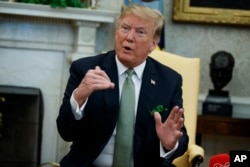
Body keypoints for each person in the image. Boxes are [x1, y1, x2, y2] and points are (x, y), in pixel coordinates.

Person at [56, 4, 188, 167]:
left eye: (140, 32)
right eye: (125, 28)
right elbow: (65, 132)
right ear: (116, 32)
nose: (129, 37)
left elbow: (181, 138)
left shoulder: (169, 80)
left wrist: (169, 144)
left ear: (153, 44)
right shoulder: (85, 70)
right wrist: (78, 97)